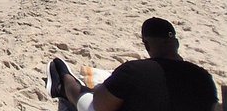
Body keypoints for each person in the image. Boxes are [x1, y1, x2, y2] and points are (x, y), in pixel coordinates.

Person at [46, 17, 218, 111]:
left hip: (108, 96)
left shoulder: (134, 71)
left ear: (147, 45)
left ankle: (64, 82)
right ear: (176, 43)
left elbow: (100, 106)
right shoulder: (203, 78)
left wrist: (98, 90)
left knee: (88, 100)